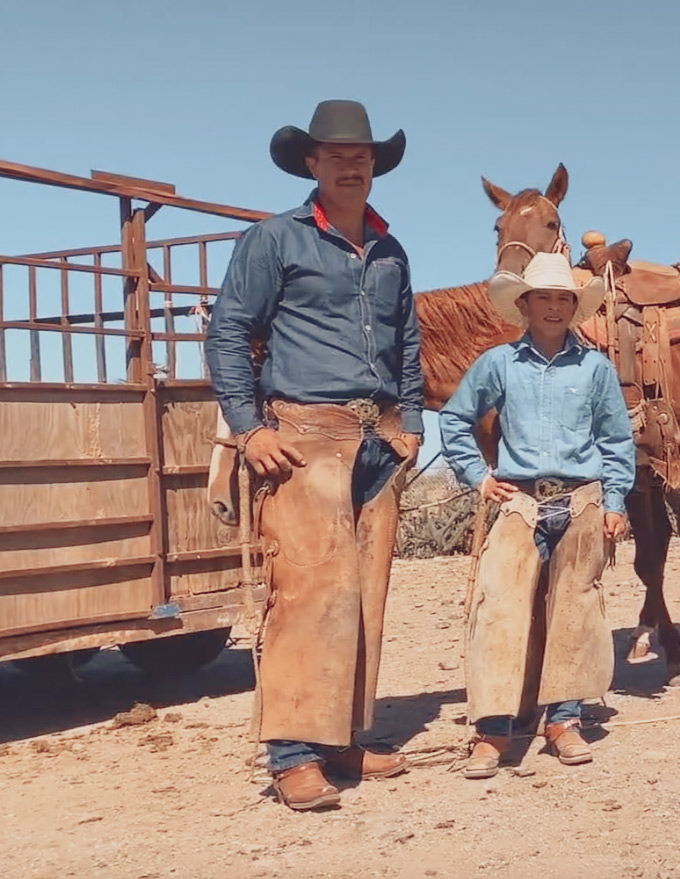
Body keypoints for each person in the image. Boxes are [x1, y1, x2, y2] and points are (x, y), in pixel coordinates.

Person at [204, 100, 422, 811]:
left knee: (364, 599)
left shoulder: (391, 252)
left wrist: (412, 420)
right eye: (336, 156)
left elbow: (407, 342)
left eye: (361, 156)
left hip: (375, 440)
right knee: (305, 592)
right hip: (301, 436)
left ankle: (343, 737)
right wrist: (247, 427)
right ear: (311, 164)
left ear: (373, 166)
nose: (350, 165)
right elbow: (229, 330)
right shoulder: (275, 239)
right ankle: (293, 754)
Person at [439, 251, 636, 780]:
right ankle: (493, 730)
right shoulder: (498, 363)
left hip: (582, 500)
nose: (553, 307)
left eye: (563, 299)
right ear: (524, 304)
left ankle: (563, 722)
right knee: (499, 609)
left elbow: (616, 440)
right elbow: (457, 419)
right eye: (543, 298)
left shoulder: (596, 368)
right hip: (519, 500)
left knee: (576, 610)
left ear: (575, 307)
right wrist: (478, 476)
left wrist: (615, 502)